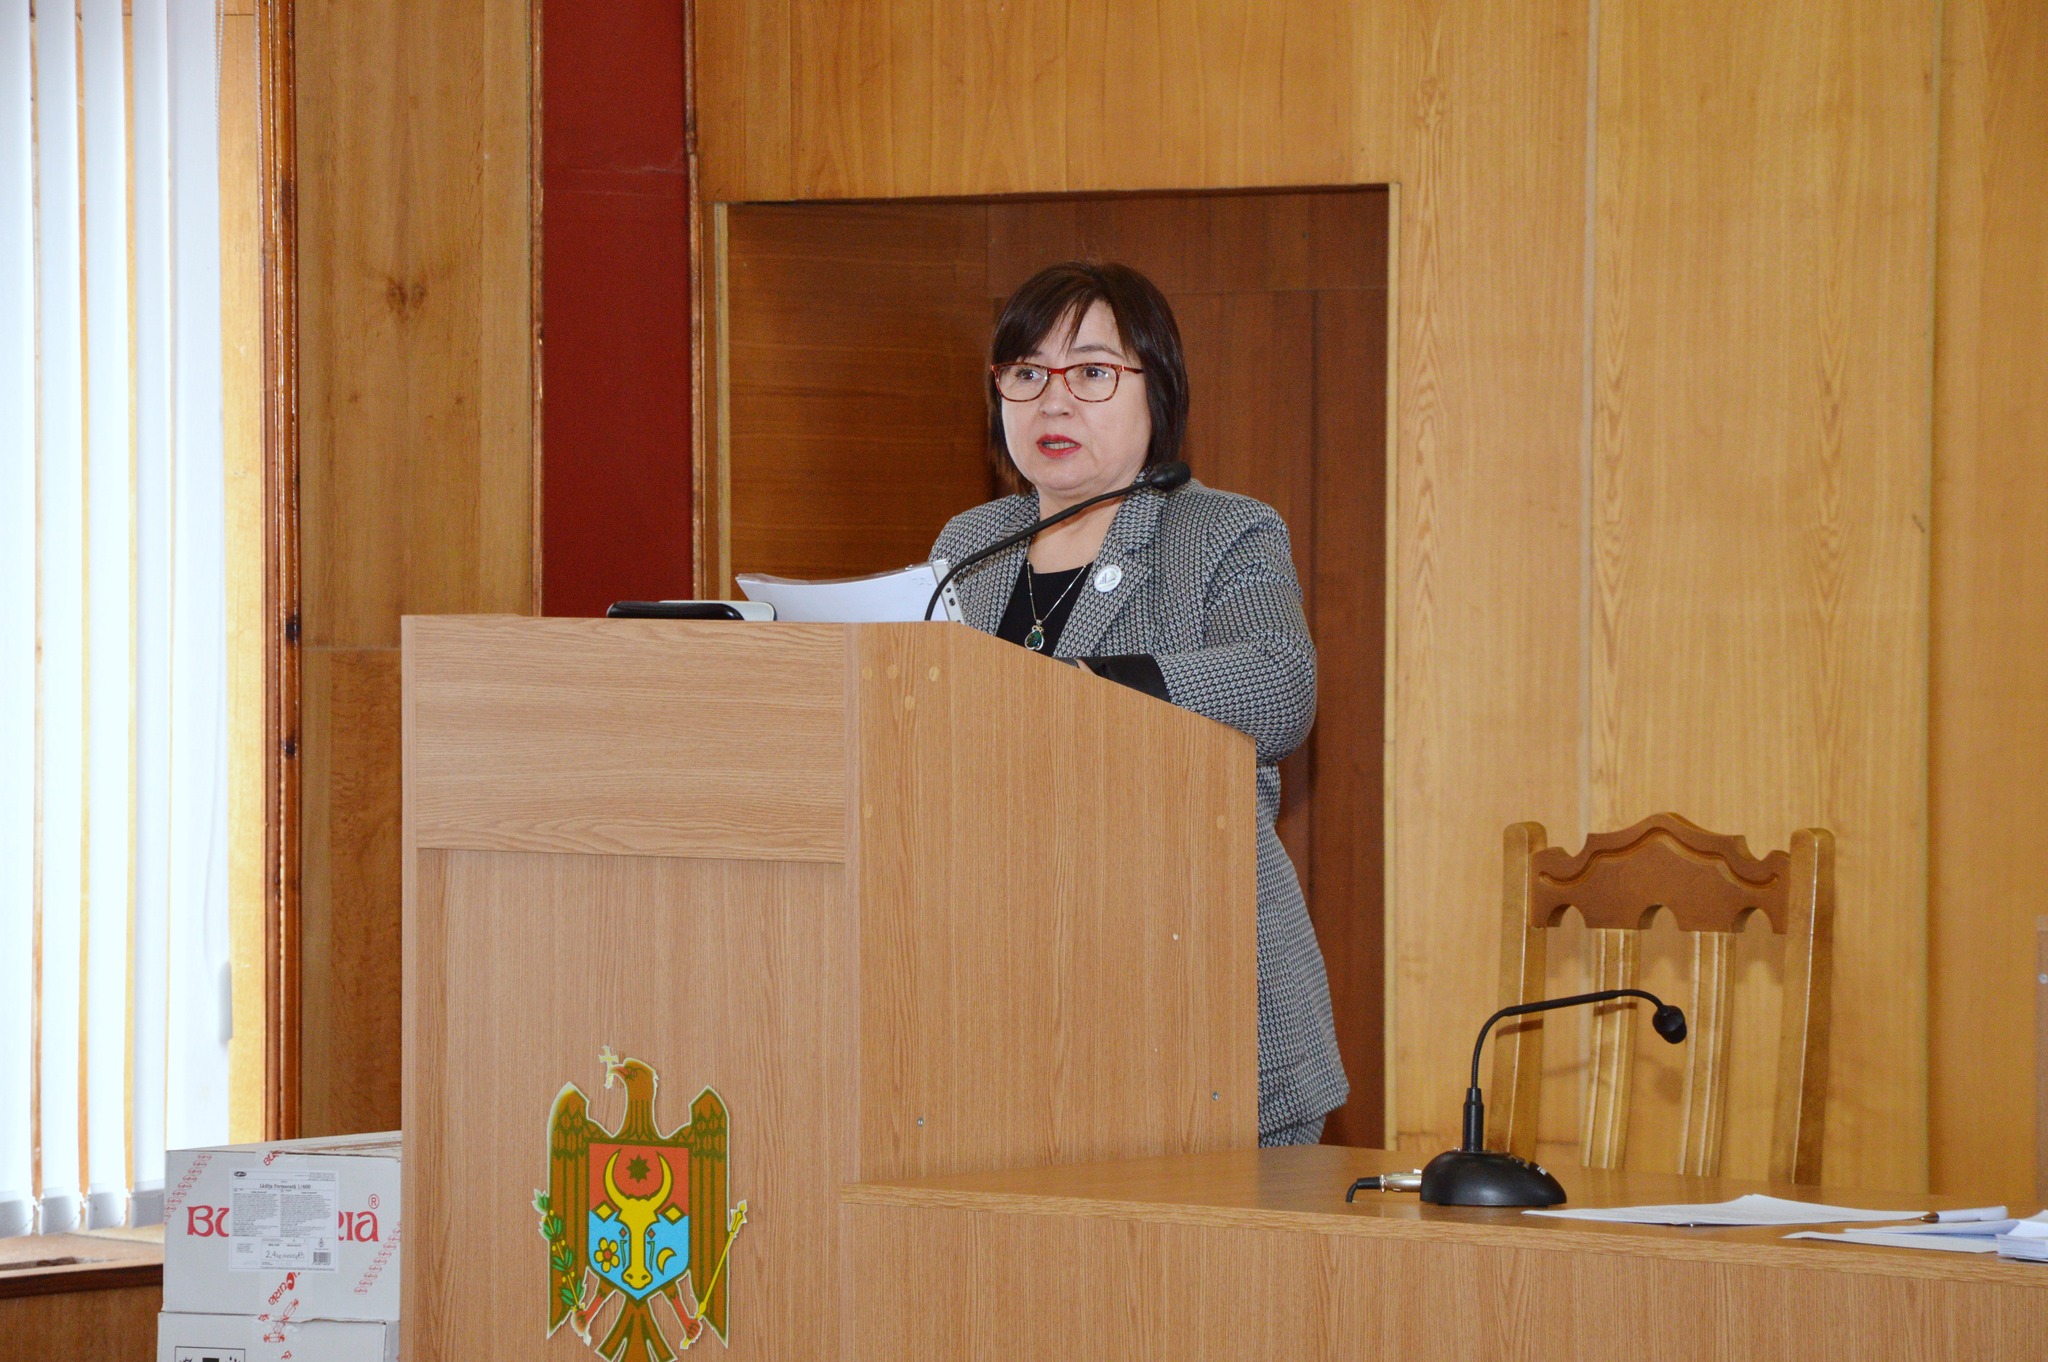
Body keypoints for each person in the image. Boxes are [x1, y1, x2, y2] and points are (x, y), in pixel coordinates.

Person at [929, 261, 1348, 1145]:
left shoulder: (1223, 532)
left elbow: (1281, 683)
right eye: (1026, 373)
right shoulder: (971, 547)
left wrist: (1099, 691)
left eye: (1090, 372)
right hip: (1011, 1003)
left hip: (1200, 999)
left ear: (1157, 388)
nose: (1053, 402)